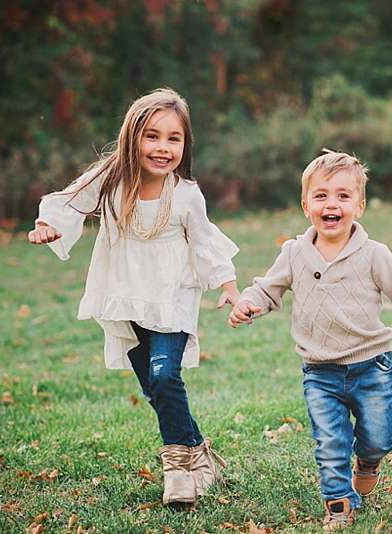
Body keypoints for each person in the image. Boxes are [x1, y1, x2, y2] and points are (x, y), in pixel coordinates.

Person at [28, 88, 236, 505]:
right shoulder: (111, 179)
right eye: (152, 136)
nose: (163, 147)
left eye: (173, 138)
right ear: (132, 138)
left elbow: (205, 241)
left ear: (184, 144)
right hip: (125, 297)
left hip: (172, 299)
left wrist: (227, 283)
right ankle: (201, 454)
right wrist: (47, 222)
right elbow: (66, 202)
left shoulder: (185, 193)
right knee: (154, 387)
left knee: (163, 375)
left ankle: (178, 470)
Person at [228, 149, 392, 531]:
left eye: (343, 196)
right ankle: (338, 504)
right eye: (321, 195)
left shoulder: (375, 255)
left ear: (360, 205)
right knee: (330, 444)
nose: (332, 204)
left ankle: (369, 461)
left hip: (371, 366)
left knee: (378, 437)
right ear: (305, 203)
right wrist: (249, 303)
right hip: (319, 371)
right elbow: (267, 289)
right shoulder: (294, 253)